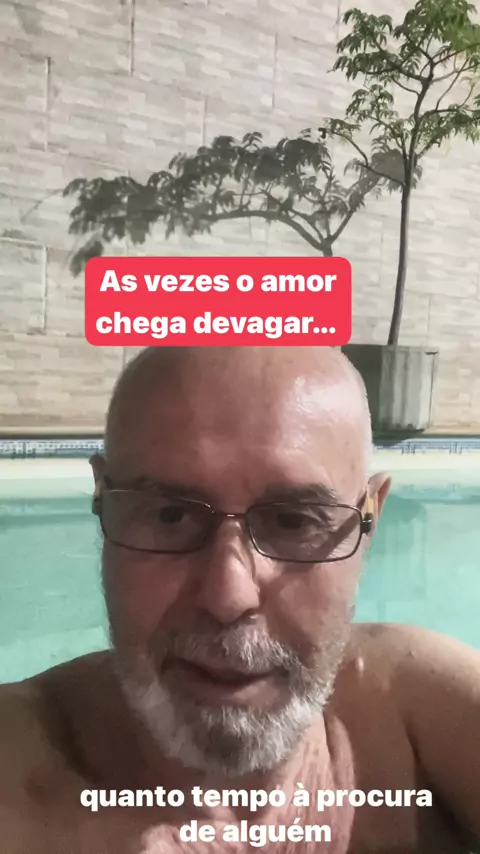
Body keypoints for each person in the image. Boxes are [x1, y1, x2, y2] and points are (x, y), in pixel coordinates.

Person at [0, 345, 479, 854]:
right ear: (101, 502)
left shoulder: (420, 716)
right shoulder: (22, 765)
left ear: (369, 523)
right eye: (168, 515)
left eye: (294, 521)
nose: (228, 596)